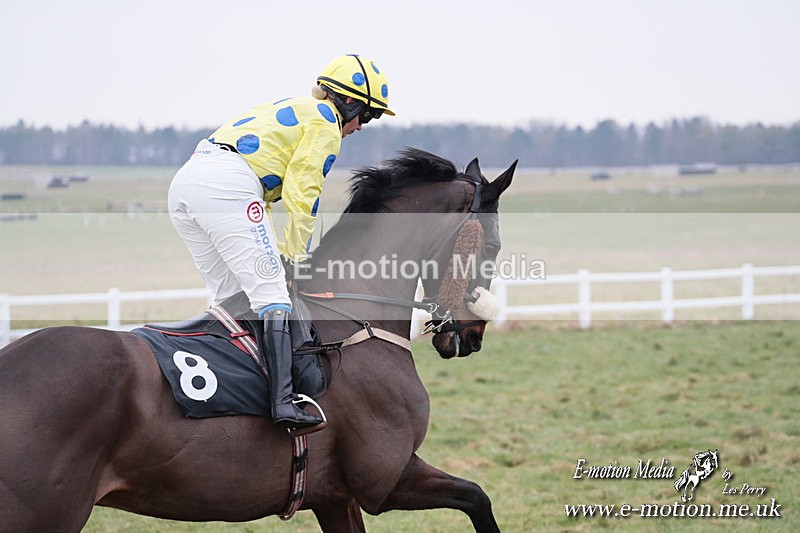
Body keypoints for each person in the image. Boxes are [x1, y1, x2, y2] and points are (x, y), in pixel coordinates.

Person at [168, 54, 394, 431]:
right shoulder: (325, 122)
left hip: (186, 184)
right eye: (366, 116)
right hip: (227, 185)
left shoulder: (297, 108)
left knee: (231, 299)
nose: (359, 128)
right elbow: (303, 193)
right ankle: (283, 403)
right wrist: (293, 256)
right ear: (348, 102)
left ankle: (231, 390)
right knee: (273, 294)